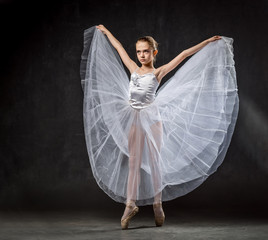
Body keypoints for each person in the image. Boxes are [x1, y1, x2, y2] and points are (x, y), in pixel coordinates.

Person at [80, 25, 238, 230]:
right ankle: (130, 204)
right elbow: (119, 48)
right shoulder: (133, 69)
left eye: (146, 51)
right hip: (134, 118)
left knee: (155, 163)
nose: (141, 55)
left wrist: (207, 42)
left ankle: (157, 204)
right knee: (134, 163)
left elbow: (183, 55)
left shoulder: (158, 72)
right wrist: (107, 32)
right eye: (138, 51)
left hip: (152, 119)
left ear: (154, 53)